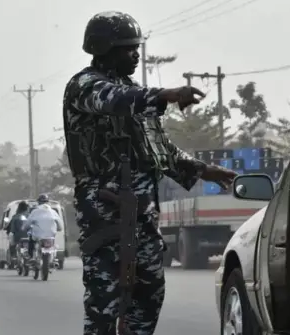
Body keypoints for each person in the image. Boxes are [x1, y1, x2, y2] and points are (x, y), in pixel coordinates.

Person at [64, 11, 237, 335]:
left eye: (136, 47)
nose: (136, 54)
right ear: (106, 50)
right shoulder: (84, 86)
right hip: (105, 210)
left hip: (142, 212)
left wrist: (203, 170)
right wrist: (162, 95)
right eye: (128, 48)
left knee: (149, 292)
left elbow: (160, 149)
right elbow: (113, 100)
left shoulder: (133, 93)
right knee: (104, 302)